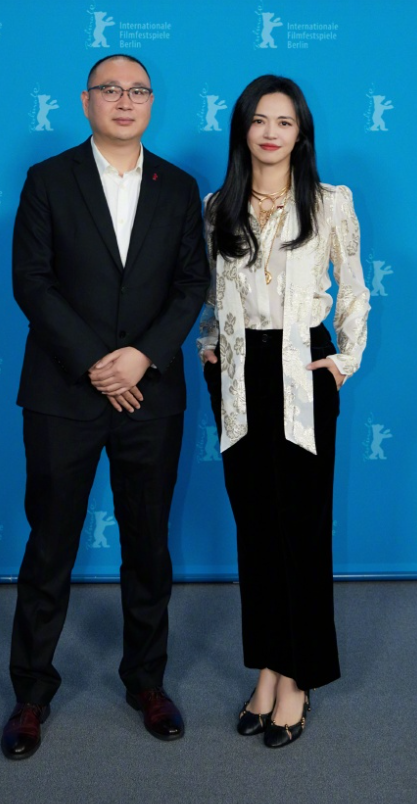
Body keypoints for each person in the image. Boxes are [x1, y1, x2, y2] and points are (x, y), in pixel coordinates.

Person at [1, 54, 209, 760]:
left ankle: (146, 682)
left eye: (138, 90)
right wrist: (98, 362)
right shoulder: (47, 180)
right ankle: (31, 693)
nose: (125, 100)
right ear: (86, 101)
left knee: (148, 547)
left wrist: (142, 356)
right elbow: (31, 281)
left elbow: (192, 284)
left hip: (152, 395)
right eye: (111, 89)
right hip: (62, 393)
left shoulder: (179, 187)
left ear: (152, 103)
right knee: (49, 545)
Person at [198, 75, 370, 749]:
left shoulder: (330, 202)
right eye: (259, 120)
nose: (270, 132)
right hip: (238, 377)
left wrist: (344, 360)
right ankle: (268, 666)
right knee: (256, 528)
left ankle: (298, 677)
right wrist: (210, 350)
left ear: (301, 134)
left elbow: (353, 290)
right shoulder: (218, 206)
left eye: (285, 122)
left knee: (301, 526)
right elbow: (212, 297)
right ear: (242, 129)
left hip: (302, 368)